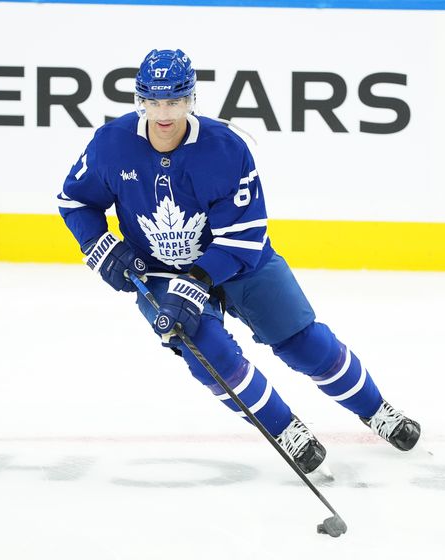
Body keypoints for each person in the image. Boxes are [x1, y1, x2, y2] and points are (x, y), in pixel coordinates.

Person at [57, 49, 420, 474]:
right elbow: (75, 200)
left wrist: (196, 280)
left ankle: (377, 410)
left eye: (174, 101)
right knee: (207, 354)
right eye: (153, 102)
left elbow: (244, 236)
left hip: (238, 264)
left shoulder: (226, 148)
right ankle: (284, 428)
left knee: (303, 342)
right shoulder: (111, 145)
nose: (164, 113)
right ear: (140, 101)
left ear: (191, 99)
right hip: (158, 273)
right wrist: (100, 246)